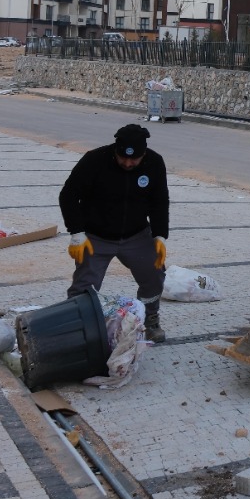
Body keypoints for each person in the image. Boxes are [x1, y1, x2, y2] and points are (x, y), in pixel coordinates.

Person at [58, 123, 171, 341]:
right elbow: (68, 195)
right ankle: (78, 327)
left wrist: (160, 235)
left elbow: (160, 201)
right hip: (95, 237)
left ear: (144, 153)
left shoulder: (155, 163)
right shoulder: (94, 160)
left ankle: (150, 319)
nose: (128, 163)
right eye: (123, 157)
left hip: (137, 235)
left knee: (154, 274)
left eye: (134, 159)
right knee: (84, 287)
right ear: (115, 150)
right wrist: (77, 233)